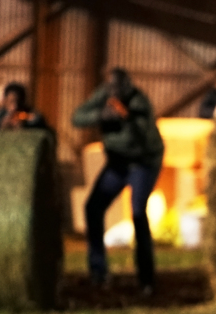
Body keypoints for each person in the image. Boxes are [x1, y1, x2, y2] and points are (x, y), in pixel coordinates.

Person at [71, 68, 165, 295]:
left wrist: (127, 119)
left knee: (138, 213)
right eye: (111, 89)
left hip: (142, 164)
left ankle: (146, 279)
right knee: (93, 208)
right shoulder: (104, 96)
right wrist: (100, 116)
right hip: (117, 165)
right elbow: (77, 117)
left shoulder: (139, 103)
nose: (114, 94)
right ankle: (98, 272)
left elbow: (143, 138)